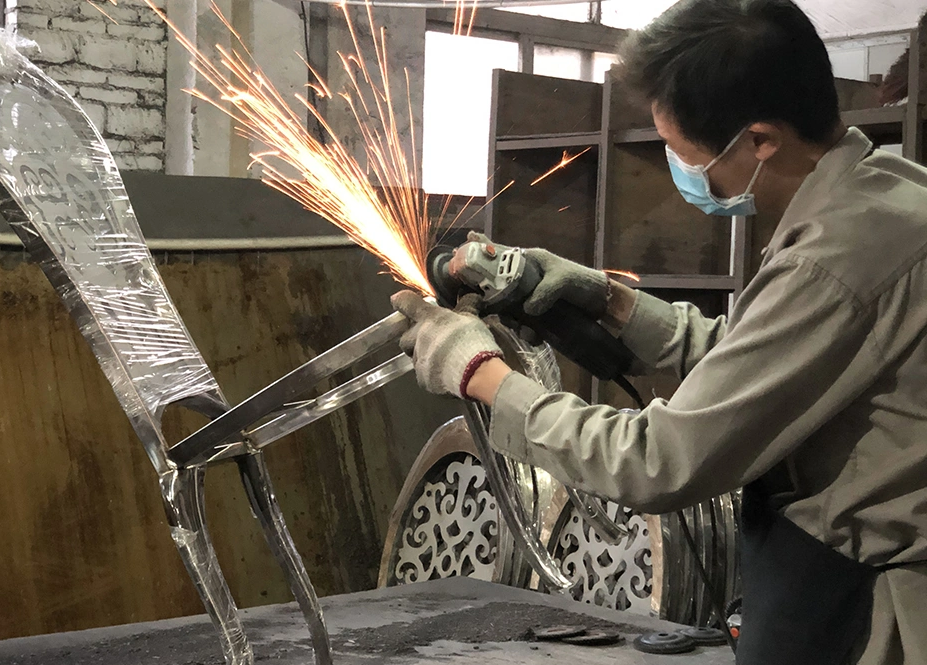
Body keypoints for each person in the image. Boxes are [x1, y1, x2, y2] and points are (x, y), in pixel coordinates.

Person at [392, 1, 927, 663]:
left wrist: (480, 373)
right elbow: (763, 360)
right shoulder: (891, 193)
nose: (682, 176)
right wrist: (609, 299)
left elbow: (656, 460)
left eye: (682, 155)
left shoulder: (834, 260)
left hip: (870, 615)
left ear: (759, 140)